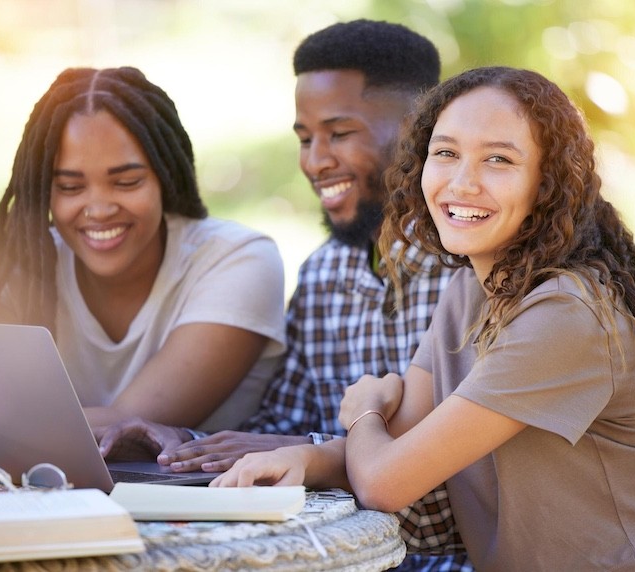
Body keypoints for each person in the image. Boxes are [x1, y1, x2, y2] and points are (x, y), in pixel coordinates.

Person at [211, 66, 635, 572]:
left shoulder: (568, 313)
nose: (462, 182)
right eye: (445, 153)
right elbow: (401, 444)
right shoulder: (471, 288)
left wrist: (362, 413)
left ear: (546, 185)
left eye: (499, 160)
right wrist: (305, 461)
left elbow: (384, 482)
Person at [99, 20, 471, 571]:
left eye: (339, 133)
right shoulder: (323, 273)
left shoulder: (471, 274)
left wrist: (309, 453)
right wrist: (178, 444)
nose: (315, 161)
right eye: (304, 138)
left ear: (420, 129)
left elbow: (450, 476)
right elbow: (282, 426)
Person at [0, 66, 286, 453]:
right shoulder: (25, 262)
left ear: (165, 177)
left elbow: (130, 422)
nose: (98, 209)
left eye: (126, 182)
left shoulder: (238, 260)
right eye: (70, 186)